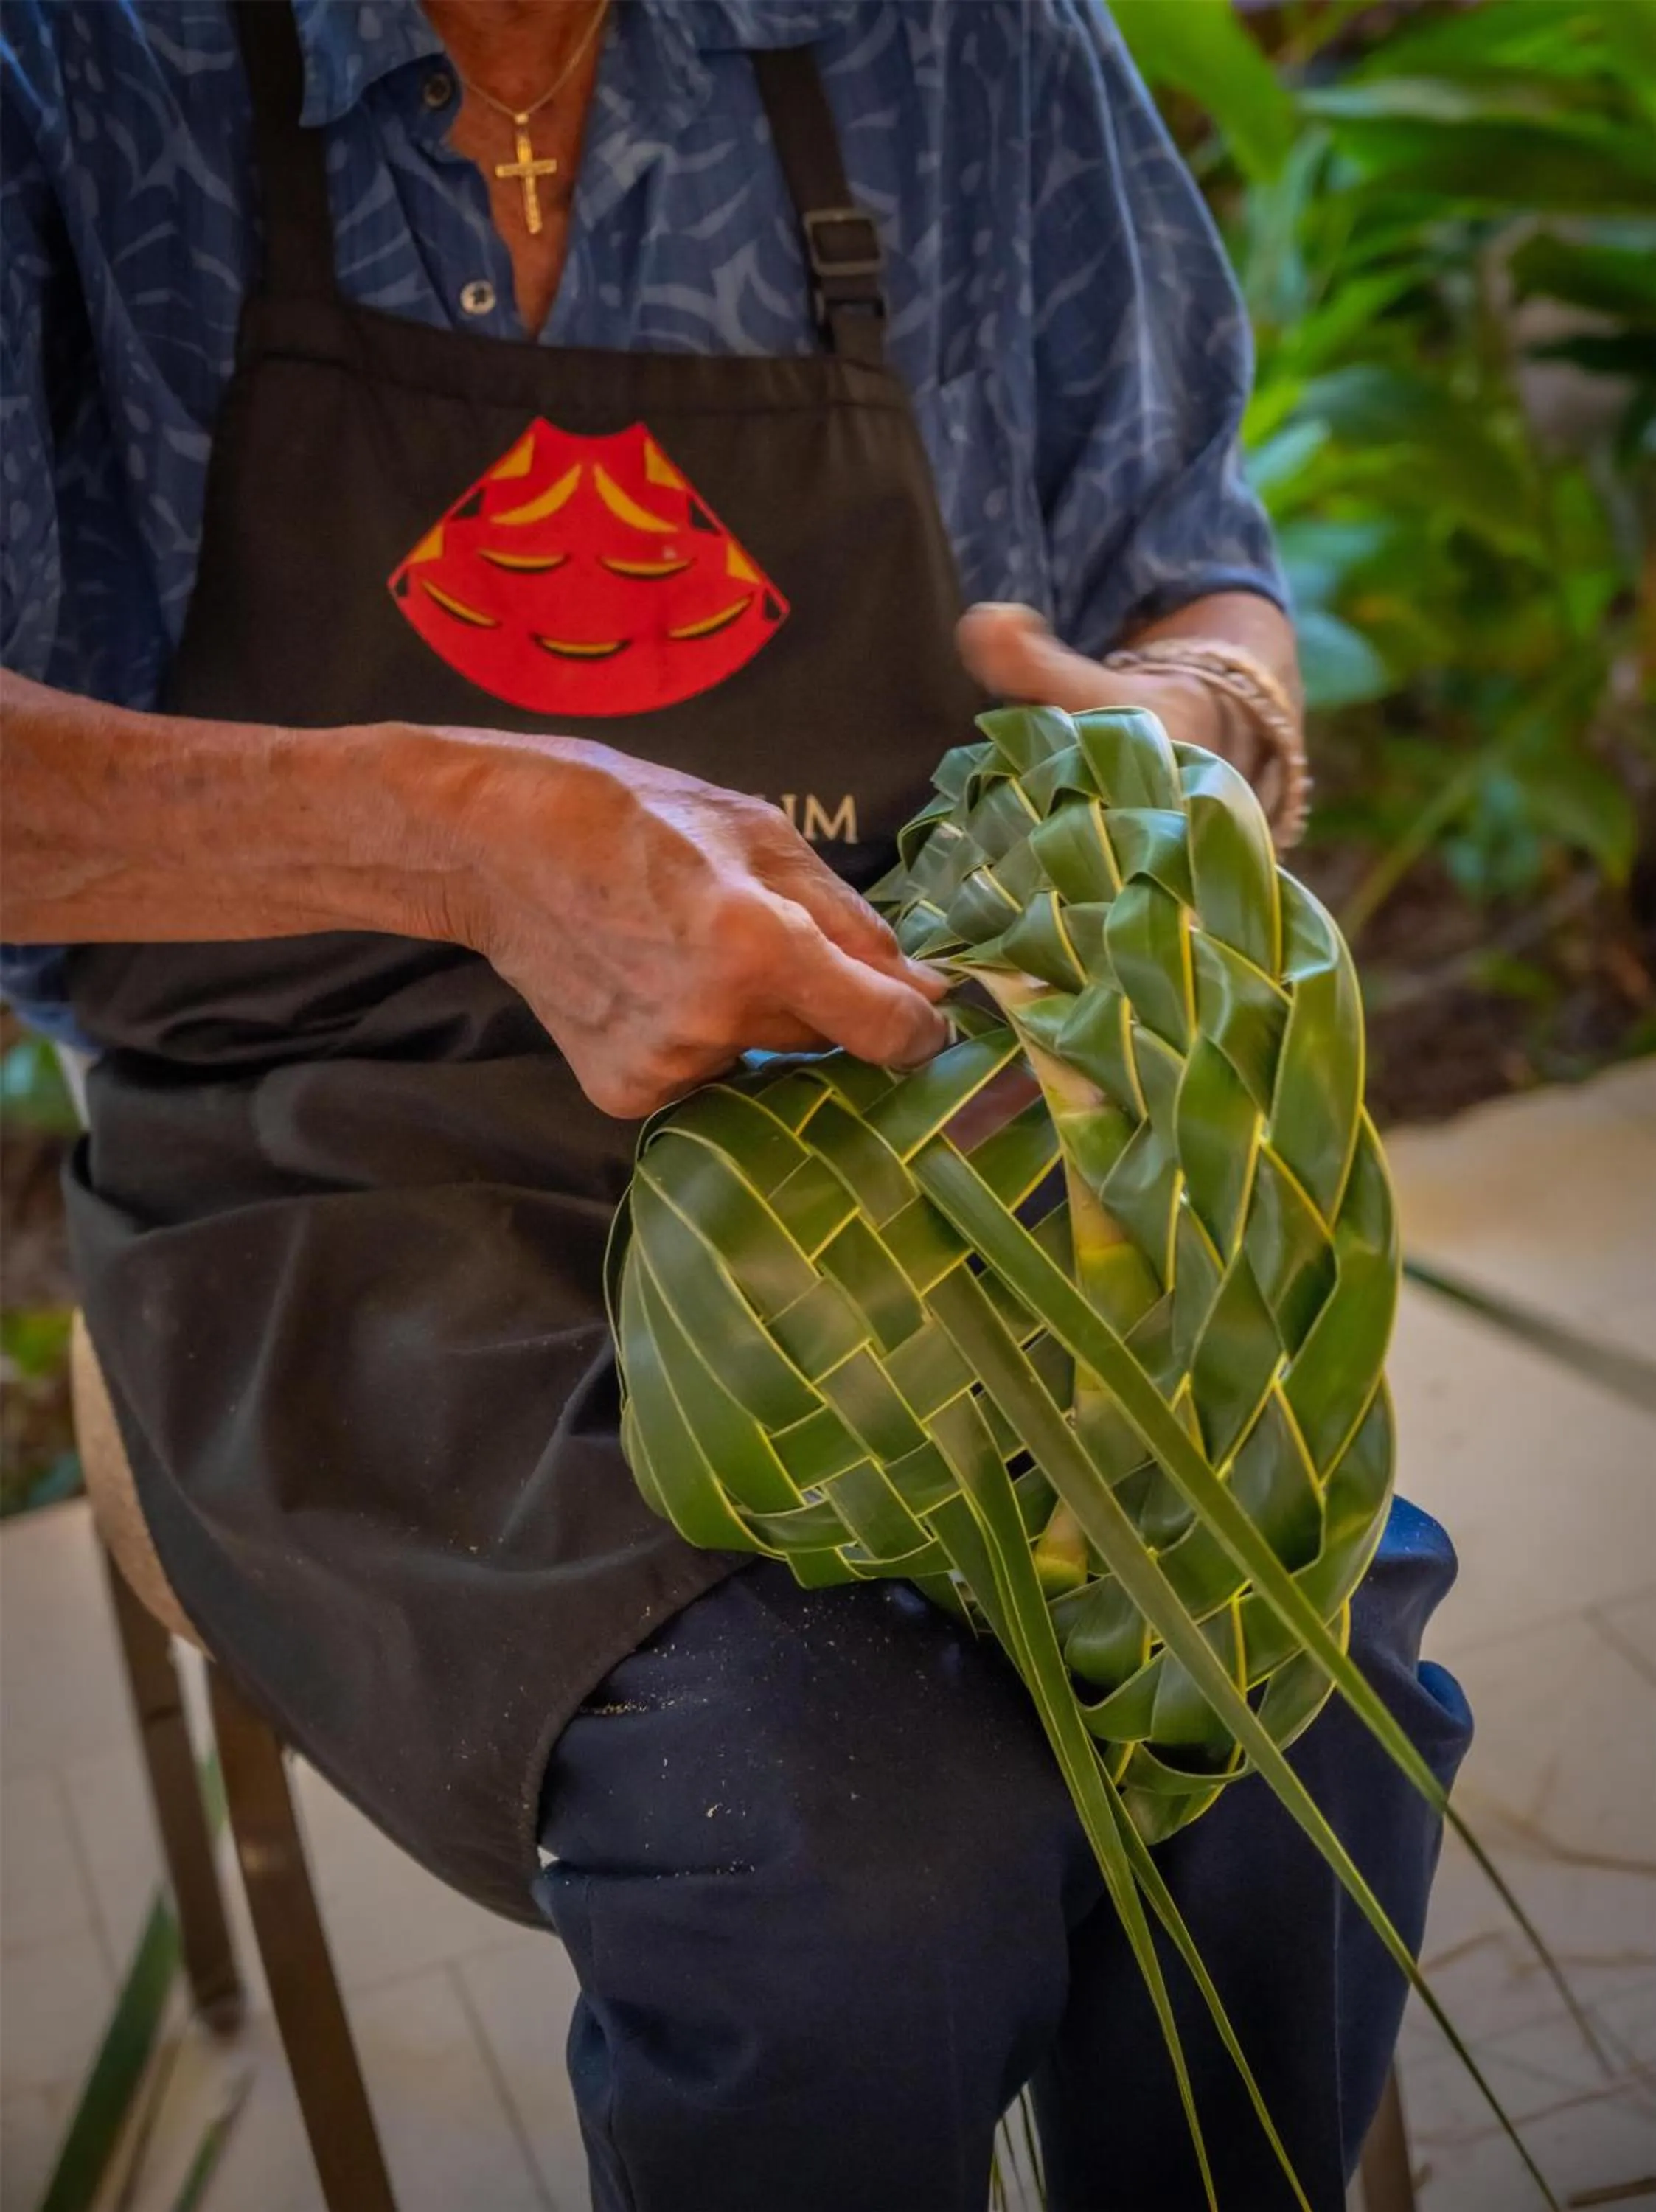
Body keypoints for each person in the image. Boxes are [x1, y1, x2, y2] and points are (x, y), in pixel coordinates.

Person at [0, 4, 1470, 2205]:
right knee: (832, 1853)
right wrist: (466, 837)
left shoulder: (953, 43)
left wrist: (1191, 724)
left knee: (1284, 1704)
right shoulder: (73, 64)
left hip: (893, 1065)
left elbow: (1183, 559)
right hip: (333, 1150)